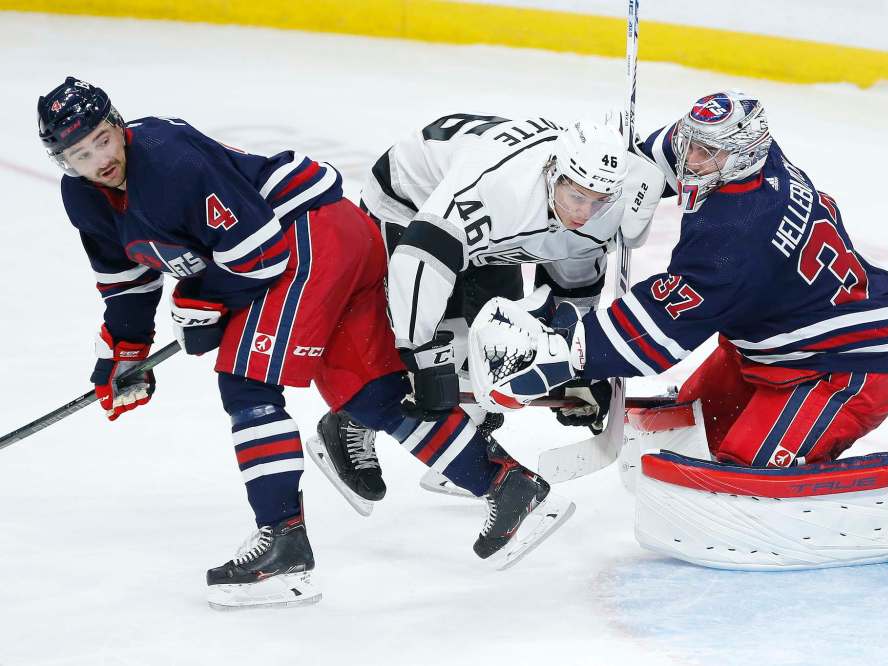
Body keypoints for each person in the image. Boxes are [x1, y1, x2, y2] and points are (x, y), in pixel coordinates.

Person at [36, 77, 574, 610]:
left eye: (103, 140)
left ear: (118, 125)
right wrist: (126, 353)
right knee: (371, 393)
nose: (99, 160)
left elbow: (259, 256)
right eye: (80, 154)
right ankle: (509, 487)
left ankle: (283, 545)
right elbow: (126, 281)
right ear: (64, 162)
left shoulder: (167, 161)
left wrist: (205, 300)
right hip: (328, 240)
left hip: (310, 239)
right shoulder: (84, 196)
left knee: (248, 382)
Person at [469, 90, 888, 470]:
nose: (690, 159)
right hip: (767, 343)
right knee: (692, 427)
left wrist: (569, 349)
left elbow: (662, 330)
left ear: (741, 155)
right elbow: (663, 154)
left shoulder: (737, 232)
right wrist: (624, 176)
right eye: (692, 143)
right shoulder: (753, 155)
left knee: (743, 467)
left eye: (705, 153)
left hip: (846, 365)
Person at [312, 113, 666, 504]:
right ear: (553, 174)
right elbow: (420, 260)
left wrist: (575, 368)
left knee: (498, 344)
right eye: (576, 197)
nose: (583, 214)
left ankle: (467, 435)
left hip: (487, 234)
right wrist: (421, 357)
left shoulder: (600, 214)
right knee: (413, 345)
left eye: (598, 203)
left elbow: (571, 290)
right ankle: (350, 421)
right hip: (411, 206)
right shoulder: (499, 192)